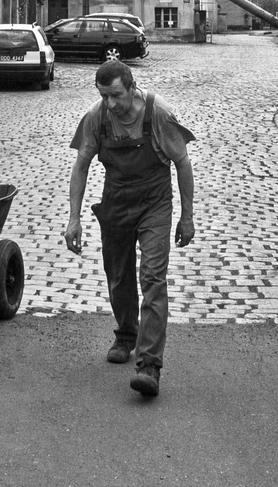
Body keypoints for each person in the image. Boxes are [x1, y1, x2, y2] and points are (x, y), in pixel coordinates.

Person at [64, 59, 195, 398]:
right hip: (117, 200)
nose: (111, 104)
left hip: (154, 202)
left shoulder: (158, 114)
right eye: (104, 96)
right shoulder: (97, 117)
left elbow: (182, 163)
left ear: (132, 88)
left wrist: (187, 216)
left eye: (116, 96)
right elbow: (81, 165)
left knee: (152, 276)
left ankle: (150, 364)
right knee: (118, 274)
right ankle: (126, 334)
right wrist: (73, 219)